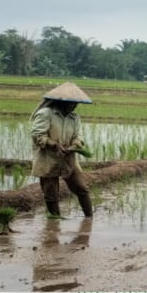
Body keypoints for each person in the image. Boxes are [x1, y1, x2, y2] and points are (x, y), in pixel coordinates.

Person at [30, 81, 94, 218]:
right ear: (62, 102)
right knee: (51, 194)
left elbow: (79, 136)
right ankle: (55, 223)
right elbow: (37, 135)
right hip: (48, 159)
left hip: (68, 159)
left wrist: (75, 145)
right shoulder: (45, 114)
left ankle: (89, 220)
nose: (75, 106)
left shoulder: (74, 118)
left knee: (82, 188)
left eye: (76, 103)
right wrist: (53, 144)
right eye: (72, 103)